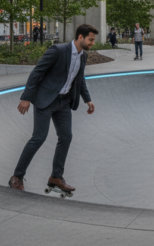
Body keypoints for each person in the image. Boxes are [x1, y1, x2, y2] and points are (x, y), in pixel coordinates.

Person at [8, 24, 98, 193]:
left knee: (66, 136)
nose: (93, 43)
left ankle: (56, 177)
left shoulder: (82, 56)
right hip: (46, 100)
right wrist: (26, 97)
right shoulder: (58, 50)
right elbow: (37, 73)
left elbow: (80, 79)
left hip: (64, 102)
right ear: (80, 37)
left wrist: (88, 99)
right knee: (39, 137)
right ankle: (17, 176)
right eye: (91, 39)